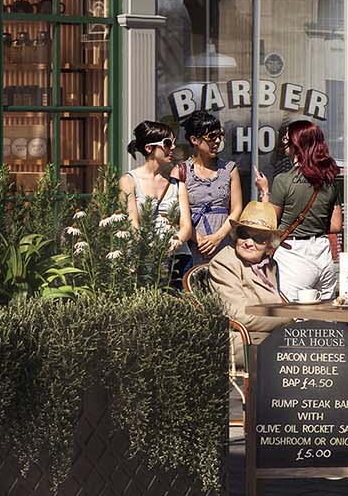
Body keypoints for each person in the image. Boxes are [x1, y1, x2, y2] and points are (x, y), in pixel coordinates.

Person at [267, 117, 344, 300]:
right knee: (326, 315)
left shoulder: (283, 180)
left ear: (296, 144)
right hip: (323, 253)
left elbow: (270, 223)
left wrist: (264, 193)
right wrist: (314, 224)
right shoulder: (329, 180)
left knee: (293, 315)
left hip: (293, 254)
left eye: (286, 139)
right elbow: (336, 225)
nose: (284, 143)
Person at [205, 199, 290, 331]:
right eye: (243, 234)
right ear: (236, 235)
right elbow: (241, 317)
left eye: (258, 238)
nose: (248, 243)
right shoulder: (224, 264)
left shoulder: (271, 265)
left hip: (274, 332)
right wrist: (288, 318)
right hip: (247, 337)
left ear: (270, 242)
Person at [179, 110, 243, 271]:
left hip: (224, 241)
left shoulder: (229, 169)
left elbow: (236, 209)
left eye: (220, 135)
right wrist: (200, 240)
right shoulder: (182, 171)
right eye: (211, 136)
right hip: (194, 245)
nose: (217, 141)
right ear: (194, 140)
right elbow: (179, 214)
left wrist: (218, 237)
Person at [119, 120, 193, 257]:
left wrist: (174, 242)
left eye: (174, 143)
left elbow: (186, 227)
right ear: (149, 148)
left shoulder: (177, 183)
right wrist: (151, 251)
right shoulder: (129, 181)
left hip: (177, 257)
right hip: (143, 257)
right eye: (167, 143)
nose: (173, 147)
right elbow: (132, 224)